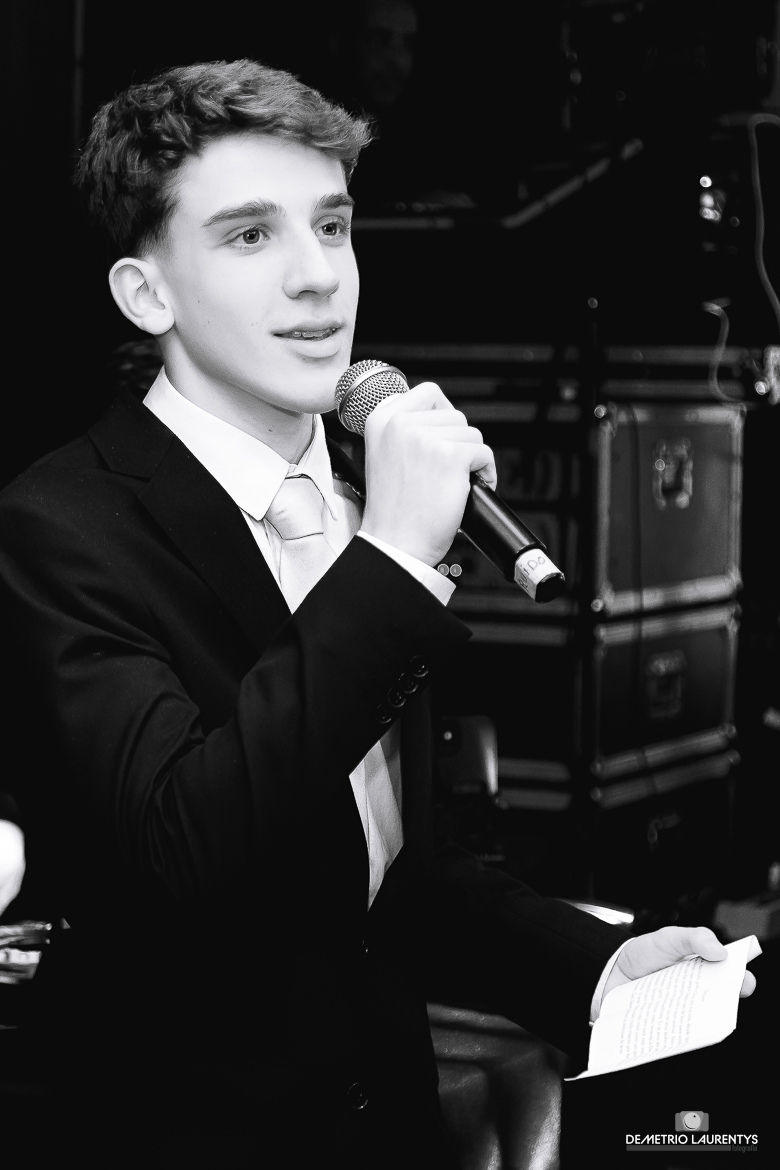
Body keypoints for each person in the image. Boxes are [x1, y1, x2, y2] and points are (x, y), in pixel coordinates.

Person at [0, 59, 757, 1168]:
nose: (320, 278)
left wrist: (589, 967)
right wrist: (395, 560)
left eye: (333, 225)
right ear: (146, 294)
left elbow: (384, 870)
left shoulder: (364, 496)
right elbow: (184, 851)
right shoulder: (60, 524)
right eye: (249, 236)